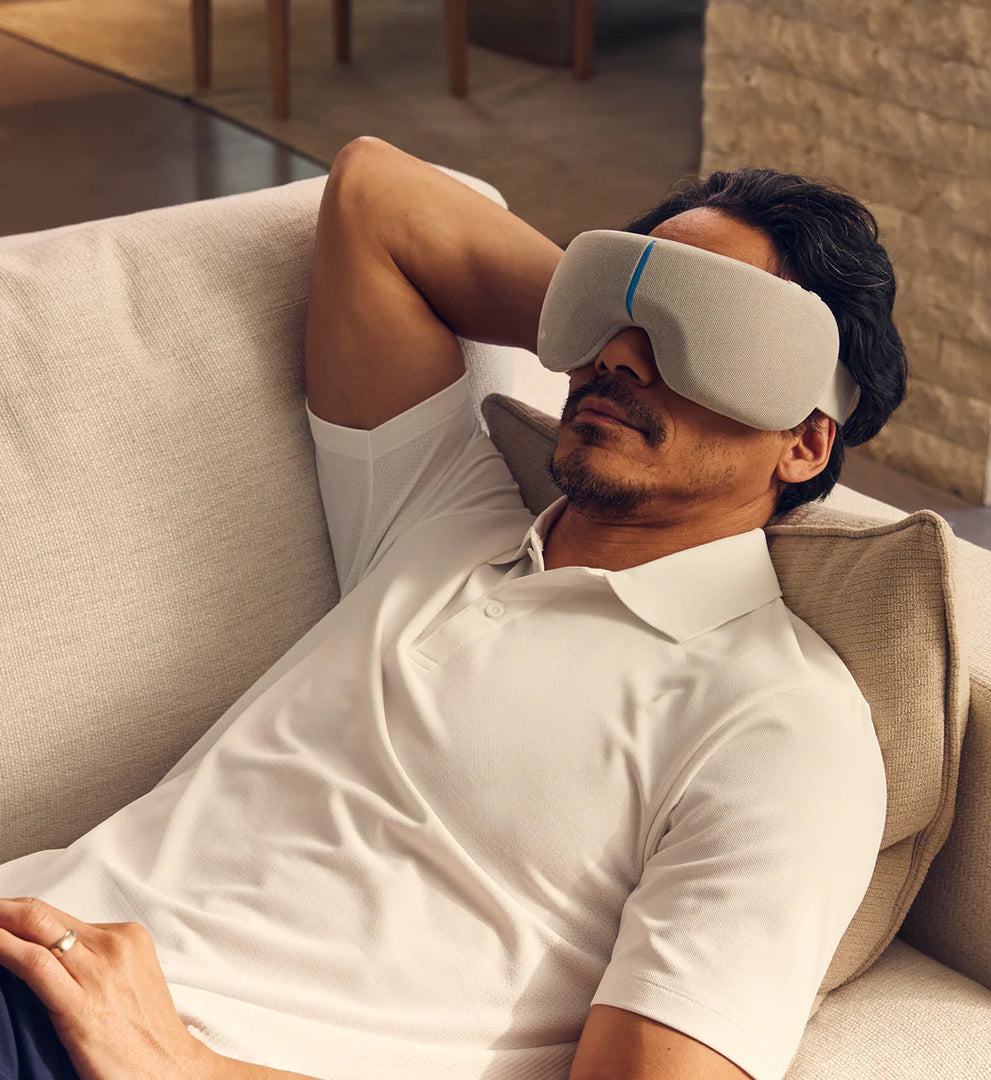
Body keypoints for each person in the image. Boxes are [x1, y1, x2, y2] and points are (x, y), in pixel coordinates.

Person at [0, 136, 907, 1080]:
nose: (618, 359)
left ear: (805, 444)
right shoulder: (441, 516)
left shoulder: (783, 726)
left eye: (713, 333)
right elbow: (374, 195)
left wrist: (185, 1067)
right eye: (610, 313)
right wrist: (631, 309)